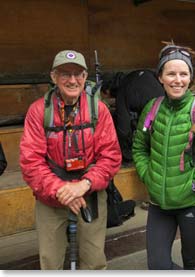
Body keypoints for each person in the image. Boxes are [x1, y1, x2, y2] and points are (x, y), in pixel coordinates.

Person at [20, 50, 122, 269]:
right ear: (53, 77)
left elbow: (111, 157)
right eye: (65, 73)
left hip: (90, 193)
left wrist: (83, 186)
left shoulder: (99, 110)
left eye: (78, 74)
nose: (72, 80)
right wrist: (62, 190)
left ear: (86, 77)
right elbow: (31, 162)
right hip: (51, 195)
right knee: (50, 262)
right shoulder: (38, 111)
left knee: (94, 261)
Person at [132, 43, 195, 270]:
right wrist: (149, 175)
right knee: (157, 264)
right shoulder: (152, 108)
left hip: (193, 201)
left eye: (183, 74)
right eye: (171, 73)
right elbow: (139, 148)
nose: (178, 80)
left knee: (193, 263)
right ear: (161, 77)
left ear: (190, 77)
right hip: (159, 203)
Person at [101, 69, 165, 166]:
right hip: (164, 103)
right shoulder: (140, 73)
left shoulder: (122, 92)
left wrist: (127, 156)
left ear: (108, 90)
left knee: (145, 131)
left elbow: (124, 128)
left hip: (151, 114)